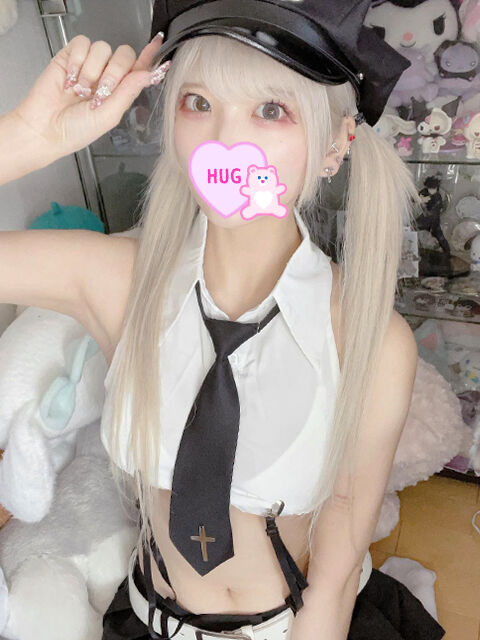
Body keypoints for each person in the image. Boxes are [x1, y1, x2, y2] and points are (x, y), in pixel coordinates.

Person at [0, 3, 446, 640]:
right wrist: (27, 138)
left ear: (335, 144)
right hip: (148, 618)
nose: (224, 140)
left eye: (271, 110)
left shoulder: (372, 339)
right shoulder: (115, 279)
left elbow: (341, 547)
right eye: (198, 103)